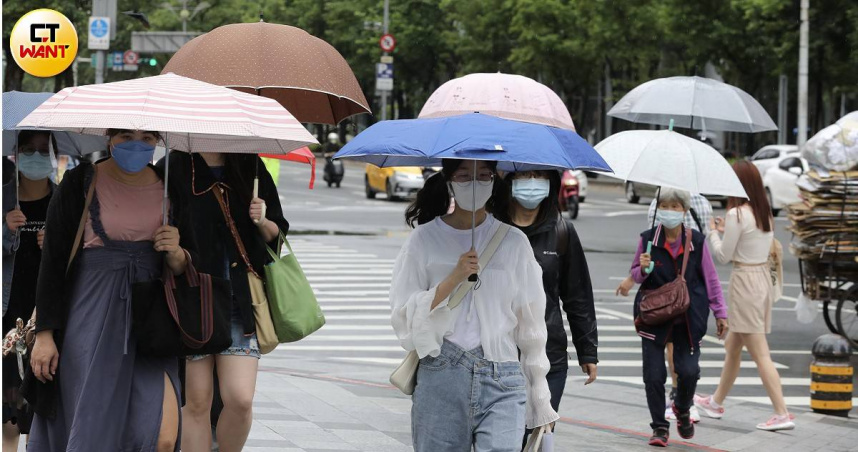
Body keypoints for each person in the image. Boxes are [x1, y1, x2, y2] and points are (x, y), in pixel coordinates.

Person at [27, 129, 194, 452]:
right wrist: (45, 333)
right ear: (109, 138)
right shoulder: (80, 182)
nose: (137, 144)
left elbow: (191, 261)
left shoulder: (171, 185)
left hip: (153, 325)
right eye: (126, 135)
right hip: (89, 320)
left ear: (159, 140)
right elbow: (53, 263)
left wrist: (177, 252)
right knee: (93, 432)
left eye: (147, 137)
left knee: (161, 437)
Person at [391, 159, 558, 451]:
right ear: (449, 180)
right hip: (441, 374)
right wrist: (453, 278)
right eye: (465, 176)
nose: (475, 184)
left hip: (503, 376)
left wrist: (541, 401)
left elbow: (532, 328)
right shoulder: (423, 240)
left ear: (494, 181)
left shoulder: (514, 242)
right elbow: (403, 316)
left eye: (484, 176)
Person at [167, 152, 288, 452]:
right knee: (197, 402)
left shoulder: (250, 165)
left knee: (240, 399)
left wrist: (263, 222)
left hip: (239, 302)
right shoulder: (177, 165)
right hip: (194, 300)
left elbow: (277, 235)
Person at [617, 187, 728, 447]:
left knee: (689, 372)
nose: (669, 211)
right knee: (653, 375)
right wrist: (642, 269)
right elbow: (636, 273)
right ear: (658, 210)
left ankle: (682, 407)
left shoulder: (696, 241)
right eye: (664, 206)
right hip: (654, 317)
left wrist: (720, 313)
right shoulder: (648, 239)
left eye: (675, 207)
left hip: (689, 319)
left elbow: (711, 279)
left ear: (684, 211)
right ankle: (659, 427)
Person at [694, 161, 795, 431]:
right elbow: (750, 242)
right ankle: (715, 403)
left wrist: (713, 233)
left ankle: (782, 413)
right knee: (733, 348)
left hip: (745, 283)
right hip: (760, 279)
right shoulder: (763, 213)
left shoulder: (737, 214)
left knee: (760, 353)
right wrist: (726, 232)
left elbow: (724, 256)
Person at [499, 170, 598, 447]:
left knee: (537, 434)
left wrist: (588, 350)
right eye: (525, 175)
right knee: (506, 437)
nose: (532, 182)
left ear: (550, 182)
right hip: (499, 354)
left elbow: (577, 294)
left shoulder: (562, 231)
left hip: (548, 355)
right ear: (509, 181)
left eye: (539, 175)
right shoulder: (491, 228)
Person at [2, 131, 55, 451]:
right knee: (8, 402)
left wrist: (56, 246)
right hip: (9, 309)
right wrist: (4, 230)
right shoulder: (2, 198)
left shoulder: (66, 199)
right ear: (15, 154)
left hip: (48, 312)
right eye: (27, 149)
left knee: (45, 395)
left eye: (43, 149)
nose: (36, 156)